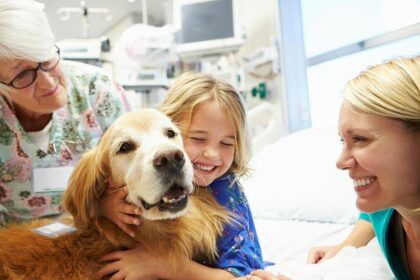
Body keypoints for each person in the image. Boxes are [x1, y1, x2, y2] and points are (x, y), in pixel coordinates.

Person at [242, 56, 420, 280]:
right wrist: (346, 246)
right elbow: (371, 214)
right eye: (343, 141)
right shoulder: (388, 208)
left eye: (361, 139)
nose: (340, 161)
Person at [97, 72, 265, 279]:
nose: (212, 154)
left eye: (226, 143)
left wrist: (161, 264)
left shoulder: (226, 190)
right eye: (198, 139)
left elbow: (241, 275)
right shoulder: (148, 174)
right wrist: (104, 206)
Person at [0, 0, 127, 226]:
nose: (47, 82)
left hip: (98, 230)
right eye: (23, 75)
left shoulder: (97, 91)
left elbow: (136, 173)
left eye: (46, 60)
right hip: (15, 244)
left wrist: (103, 204)